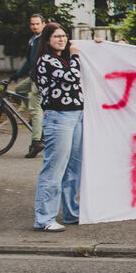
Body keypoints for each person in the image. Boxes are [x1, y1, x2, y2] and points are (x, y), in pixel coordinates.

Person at [32, 22, 84, 231]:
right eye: (56, 37)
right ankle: (44, 218)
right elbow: (71, 77)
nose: (62, 39)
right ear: (47, 40)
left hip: (76, 114)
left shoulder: (65, 59)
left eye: (64, 36)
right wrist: (76, 56)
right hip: (58, 117)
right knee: (54, 168)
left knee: (73, 168)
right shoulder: (46, 60)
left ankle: (71, 212)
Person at [11, 13, 48, 158]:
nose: (35, 26)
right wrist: (17, 75)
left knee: (35, 108)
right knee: (18, 89)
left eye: (37, 24)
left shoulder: (44, 40)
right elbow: (29, 61)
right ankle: (35, 120)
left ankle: (36, 142)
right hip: (32, 76)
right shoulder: (33, 39)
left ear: (43, 24)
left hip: (39, 78)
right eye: (32, 24)